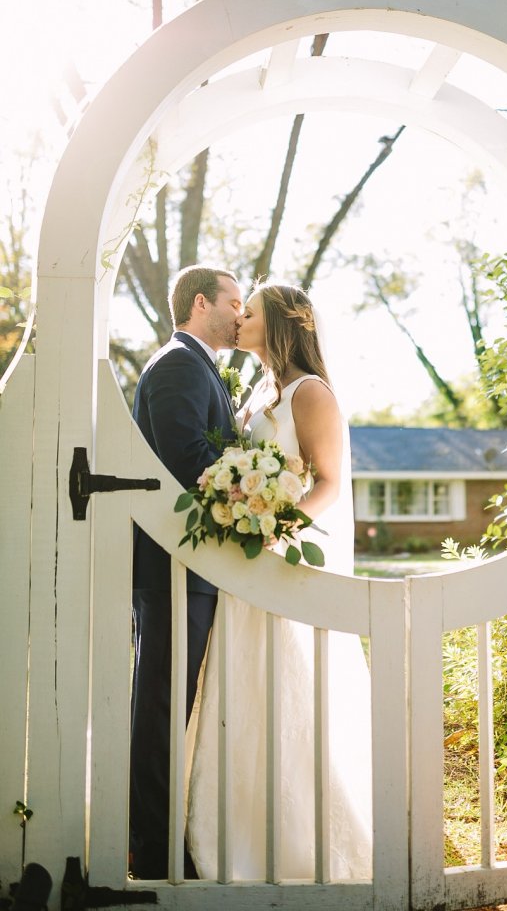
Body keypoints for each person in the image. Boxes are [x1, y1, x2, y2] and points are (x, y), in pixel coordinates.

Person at [186, 282, 373, 881]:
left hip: (286, 564)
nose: (239, 317)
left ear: (281, 324)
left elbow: (328, 483)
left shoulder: (310, 393)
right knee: (245, 694)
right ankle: (237, 830)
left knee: (293, 697)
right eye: (236, 308)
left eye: (251, 310)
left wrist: (272, 526)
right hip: (246, 569)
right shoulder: (258, 393)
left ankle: (301, 844)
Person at [129, 264, 243, 880]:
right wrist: (256, 494)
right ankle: (151, 852)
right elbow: (187, 460)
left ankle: (164, 840)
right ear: (202, 304)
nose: (241, 313)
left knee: (176, 705)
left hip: (194, 567)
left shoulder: (198, 366)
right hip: (173, 566)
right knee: (160, 707)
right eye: (234, 301)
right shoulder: (177, 364)